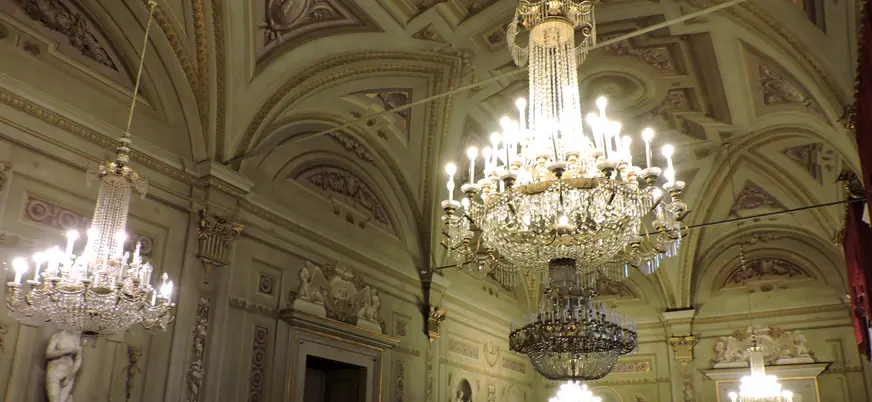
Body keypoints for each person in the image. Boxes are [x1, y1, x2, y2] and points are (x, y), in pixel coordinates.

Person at [45, 331, 82, 402]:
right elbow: (48, 354)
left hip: (69, 374)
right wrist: (66, 351)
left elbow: (78, 360)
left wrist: (69, 377)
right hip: (54, 372)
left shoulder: (77, 338)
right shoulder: (57, 336)